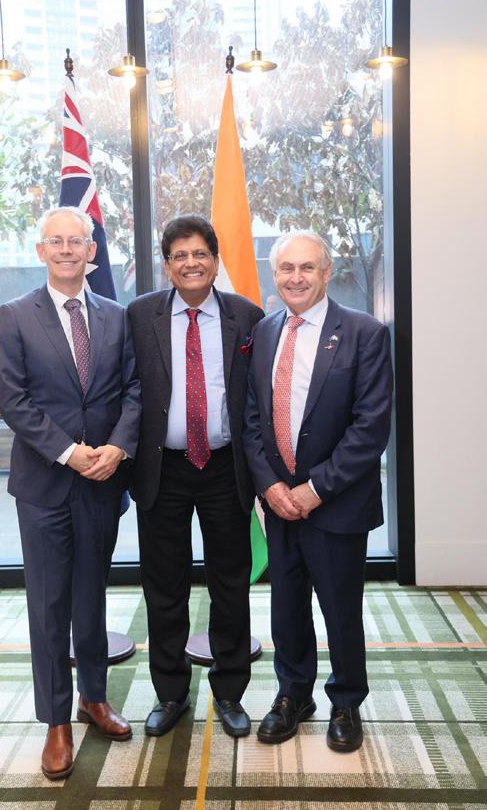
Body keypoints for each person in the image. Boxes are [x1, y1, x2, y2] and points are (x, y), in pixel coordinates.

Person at [0, 207, 141, 779]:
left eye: (75, 241)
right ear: (41, 251)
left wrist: (118, 447)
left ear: (91, 251)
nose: (65, 249)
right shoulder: (15, 315)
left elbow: (134, 390)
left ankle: (93, 699)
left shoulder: (117, 316)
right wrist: (67, 452)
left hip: (103, 480)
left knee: (91, 598)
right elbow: (13, 399)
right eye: (54, 241)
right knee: (49, 605)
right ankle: (56, 721)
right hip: (44, 484)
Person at [244, 231, 392, 751]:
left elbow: (371, 428)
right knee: (286, 608)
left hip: (336, 504)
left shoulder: (365, 332)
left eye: (307, 267)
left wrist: (315, 490)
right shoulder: (264, 332)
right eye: (286, 268)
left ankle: (346, 701)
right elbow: (252, 418)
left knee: (340, 609)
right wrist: (271, 487)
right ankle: (293, 694)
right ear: (275, 274)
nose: (296, 278)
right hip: (280, 503)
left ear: (327, 272)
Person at [127, 215, 264, 739]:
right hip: (162, 468)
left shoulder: (246, 316)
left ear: (215, 260)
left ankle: (229, 692)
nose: (190, 263)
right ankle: (170, 692)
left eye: (200, 254)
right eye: (179, 255)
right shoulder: (139, 315)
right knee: (164, 586)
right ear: (166, 265)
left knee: (230, 583)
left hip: (225, 467)